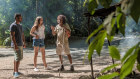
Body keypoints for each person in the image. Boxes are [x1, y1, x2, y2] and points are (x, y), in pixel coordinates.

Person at [10, 13, 26, 78]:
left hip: (20, 44)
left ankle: (15, 71)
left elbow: (22, 34)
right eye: (20, 18)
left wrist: (24, 42)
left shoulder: (20, 25)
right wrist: (15, 45)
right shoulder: (13, 25)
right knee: (18, 59)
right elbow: (12, 36)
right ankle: (16, 73)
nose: (21, 19)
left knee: (16, 58)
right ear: (16, 18)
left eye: (21, 18)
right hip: (16, 44)